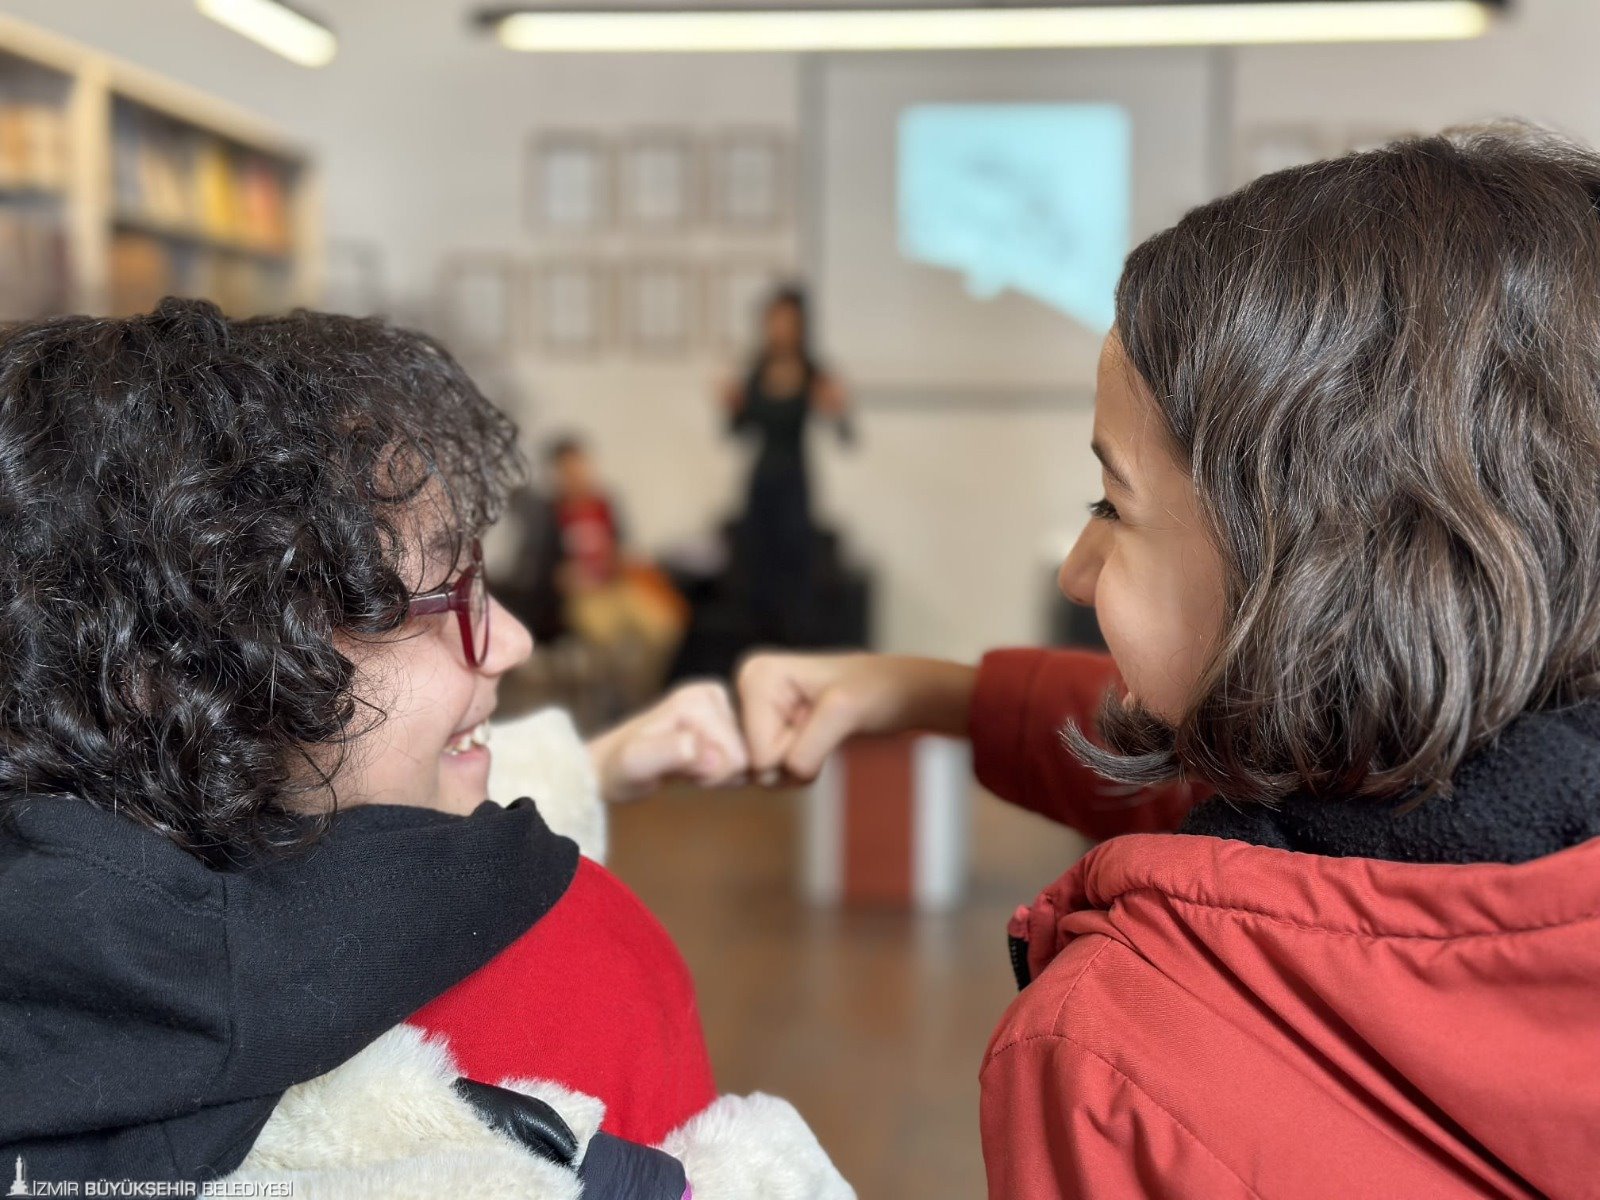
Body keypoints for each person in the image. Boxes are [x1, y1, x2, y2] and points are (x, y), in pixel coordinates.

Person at [736, 125, 1600, 1198]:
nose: (1078, 568)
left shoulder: (1109, 1054)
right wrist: (921, 693)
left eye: (1114, 505)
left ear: (1310, 570)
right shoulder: (1495, 812)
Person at [0, 299, 851, 1199]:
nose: (513, 641)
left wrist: (593, 769)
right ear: (226, 656)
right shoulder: (581, 963)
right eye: (452, 596)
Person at [722, 285, 850, 646]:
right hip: (760, 483)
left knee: (796, 584)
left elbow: (845, 434)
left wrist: (837, 407)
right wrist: (732, 406)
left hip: (795, 484)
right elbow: (736, 431)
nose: (779, 328)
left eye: (786, 321)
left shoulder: (813, 372)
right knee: (755, 580)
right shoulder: (755, 371)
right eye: (773, 321)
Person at [543, 434, 686, 706]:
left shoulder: (605, 504)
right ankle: (612, 699)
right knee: (605, 638)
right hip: (582, 596)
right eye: (568, 469)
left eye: (580, 465)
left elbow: (622, 546)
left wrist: (623, 561)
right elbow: (544, 565)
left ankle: (646, 693)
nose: (576, 475)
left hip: (617, 585)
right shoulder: (550, 512)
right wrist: (562, 576)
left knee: (662, 627)